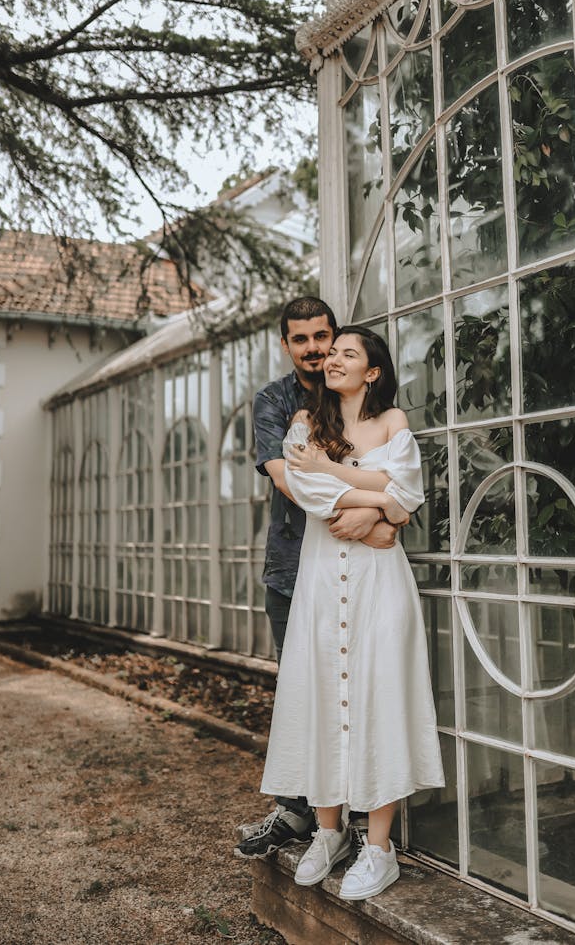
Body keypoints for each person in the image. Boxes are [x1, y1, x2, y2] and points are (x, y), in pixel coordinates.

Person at [259, 325, 444, 900]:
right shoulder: (304, 424)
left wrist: (346, 478)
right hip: (320, 581)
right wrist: (380, 502)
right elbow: (306, 490)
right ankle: (329, 832)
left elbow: (410, 487)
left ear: (372, 372)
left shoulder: (393, 424)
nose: (331, 359)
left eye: (346, 353)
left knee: (380, 698)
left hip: (379, 585)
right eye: (328, 352)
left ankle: (380, 847)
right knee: (319, 696)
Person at [235, 299, 399, 860]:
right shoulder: (276, 402)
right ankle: (299, 813)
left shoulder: (366, 400)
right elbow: (290, 481)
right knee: (305, 693)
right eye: (300, 339)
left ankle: (356, 820)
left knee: (364, 690)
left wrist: (378, 515)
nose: (314, 349)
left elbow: (401, 474)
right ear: (286, 345)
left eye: (322, 337)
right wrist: (379, 511)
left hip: (363, 569)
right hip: (294, 567)